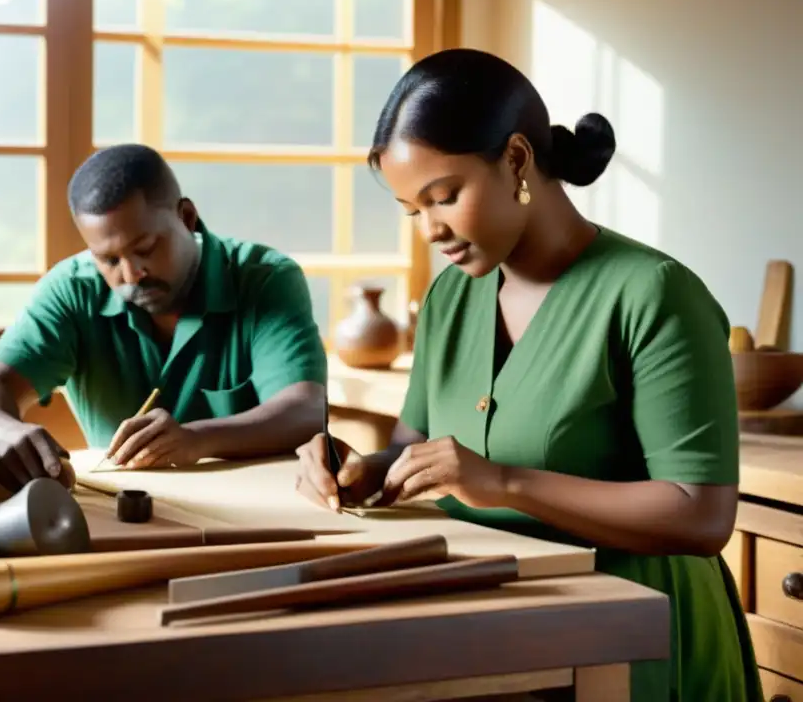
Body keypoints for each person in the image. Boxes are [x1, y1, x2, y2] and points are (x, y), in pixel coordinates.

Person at [293, 48, 761, 702]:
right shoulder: (451, 297)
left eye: (444, 197)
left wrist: (502, 481)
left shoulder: (655, 295)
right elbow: (415, 445)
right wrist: (363, 469)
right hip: (494, 639)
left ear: (516, 160)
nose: (430, 230)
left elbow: (701, 515)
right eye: (411, 210)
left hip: (642, 650)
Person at [0, 143, 328, 492]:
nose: (130, 275)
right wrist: (1, 431)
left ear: (187, 217)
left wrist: (200, 438)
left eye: (144, 249)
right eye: (108, 260)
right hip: (123, 512)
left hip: (258, 516)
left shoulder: (263, 279)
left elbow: (306, 410)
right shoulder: (73, 288)